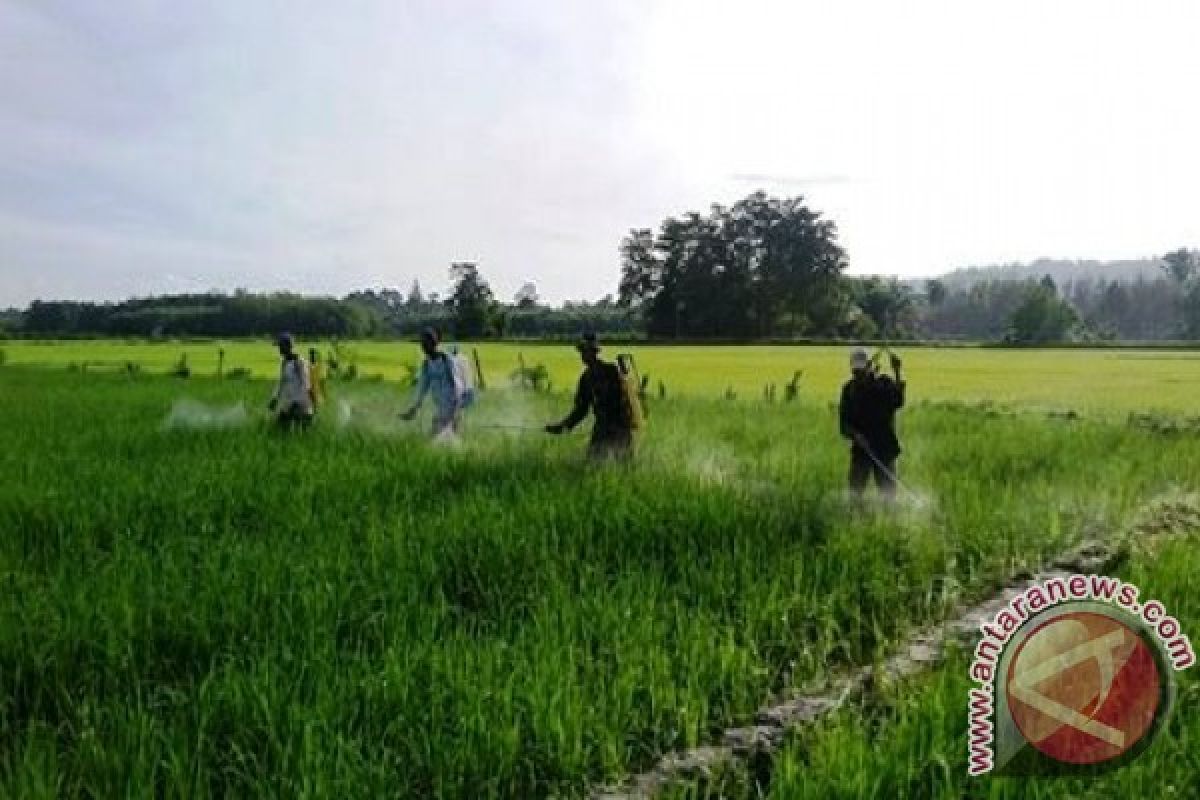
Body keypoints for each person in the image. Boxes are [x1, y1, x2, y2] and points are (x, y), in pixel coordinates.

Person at [545, 333, 634, 460]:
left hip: (619, 426)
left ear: (594, 352)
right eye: (581, 351)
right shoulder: (586, 378)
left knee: (625, 467)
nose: (582, 355)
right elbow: (581, 410)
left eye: (585, 351)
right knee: (593, 465)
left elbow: (624, 398)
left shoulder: (612, 371)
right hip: (602, 427)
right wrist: (562, 427)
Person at [838, 346, 905, 497]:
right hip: (862, 451)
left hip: (885, 448)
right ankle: (856, 517)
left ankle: (888, 519)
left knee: (888, 495)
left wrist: (897, 372)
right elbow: (844, 424)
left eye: (861, 371)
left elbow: (898, 401)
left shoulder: (884, 384)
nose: (858, 375)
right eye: (855, 372)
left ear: (869, 366)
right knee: (855, 494)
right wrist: (855, 435)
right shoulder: (849, 390)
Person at [399, 327, 461, 436]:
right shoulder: (427, 365)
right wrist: (413, 409)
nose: (424, 346)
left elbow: (458, 385)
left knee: (434, 438)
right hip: (441, 408)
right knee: (447, 441)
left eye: (427, 342)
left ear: (435, 343)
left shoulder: (447, 360)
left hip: (451, 407)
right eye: (422, 343)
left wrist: (455, 409)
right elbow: (422, 389)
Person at [268, 333, 314, 430]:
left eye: (281, 346)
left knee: (297, 433)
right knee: (280, 430)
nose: (279, 349)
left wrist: (308, 402)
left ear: (288, 346)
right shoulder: (285, 363)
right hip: (291, 404)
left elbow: (306, 384)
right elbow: (282, 383)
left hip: (301, 405)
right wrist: (275, 399)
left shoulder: (299, 362)